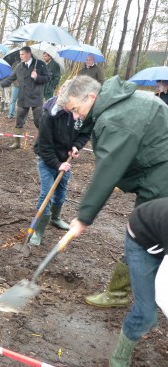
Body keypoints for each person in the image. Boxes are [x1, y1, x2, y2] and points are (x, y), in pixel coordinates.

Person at [58, 75, 168, 311]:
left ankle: (120, 293)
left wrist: (84, 217)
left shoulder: (115, 119)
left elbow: (108, 169)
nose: (76, 117)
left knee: (140, 233)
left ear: (91, 97)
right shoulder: (128, 101)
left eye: (76, 109)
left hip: (162, 180)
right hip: (157, 171)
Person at [107, 197, 168, 367]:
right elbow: (162, 290)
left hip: (162, 238)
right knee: (146, 314)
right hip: (142, 238)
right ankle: (119, 358)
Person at [29, 80, 90, 246]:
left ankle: (55, 218)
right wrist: (57, 164)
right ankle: (38, 231)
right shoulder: (49, 114)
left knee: (62, 190)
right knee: (46, 193)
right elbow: (45, 147)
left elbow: (85, 133)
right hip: (47, 159)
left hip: (65, 158)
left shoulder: (81, 110)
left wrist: (76, 146)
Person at [0, 46, 50, 149]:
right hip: (23, 98)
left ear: (29, 54)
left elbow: (47, 78)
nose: (21, 57)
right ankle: (17, 143)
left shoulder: (40, 65)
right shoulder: (19, 66)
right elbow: (11, 78)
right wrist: (0, 84)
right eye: (20, 55)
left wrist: (37, 77)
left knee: (38, 121)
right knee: (19, 120)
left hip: (36, 97)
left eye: (23, 54)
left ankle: (43, 142)